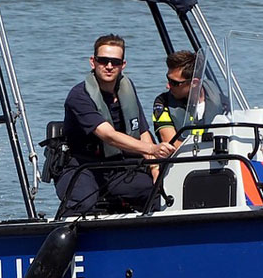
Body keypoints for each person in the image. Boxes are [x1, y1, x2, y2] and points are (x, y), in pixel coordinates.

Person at [55, 34, 175, 214]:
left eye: (115, 62)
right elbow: (108, 135)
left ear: (123, 65)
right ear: (93, 62)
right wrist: (153, 149)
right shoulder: (79, 96)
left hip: (117, 166)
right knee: (84, 205)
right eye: (103, 60)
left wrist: (154, 166)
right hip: (82, 166)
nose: (109, 66)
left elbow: (142, 131)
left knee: (159, 193)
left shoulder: (127, 89)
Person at [152, 50, 197, 147]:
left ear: (194, 83)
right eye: (168, 79)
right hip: (186, 156)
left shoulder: (219, 101)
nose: (167, 86)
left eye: (174, 83)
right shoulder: (163, 102)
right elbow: (172, 144)